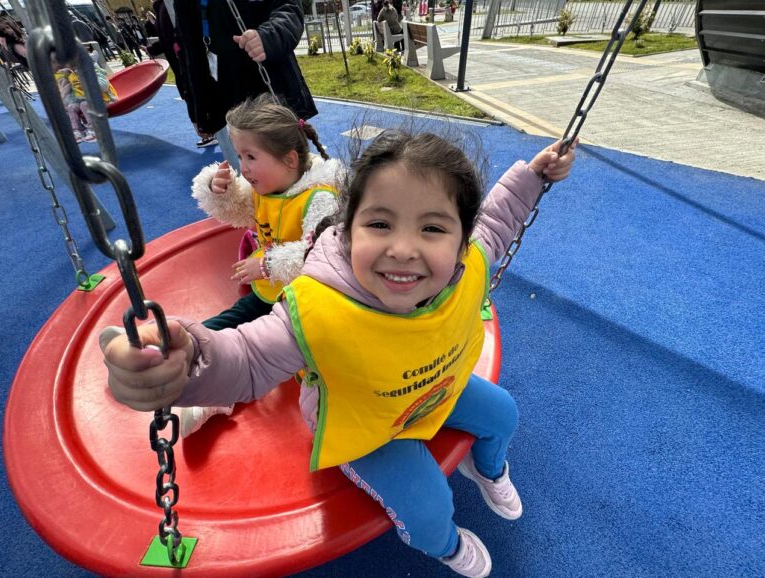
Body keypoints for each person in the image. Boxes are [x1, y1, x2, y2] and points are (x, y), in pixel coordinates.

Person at [99, 129, 577, 577]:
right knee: (429, 508)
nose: (404, 249)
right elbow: (246, 358)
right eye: (380, 223)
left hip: (435, 387)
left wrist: (532, 177)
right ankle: (445, 545)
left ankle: (487, 468)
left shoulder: (470, 262)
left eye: (432, 228)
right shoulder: (319, 306)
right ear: (349, 229)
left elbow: (497, 219)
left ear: (460, 241)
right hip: (363, 423)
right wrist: (185, 363)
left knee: (502, 414)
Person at [182, 94, 344, 435]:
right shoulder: (268, 185)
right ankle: (185, 356)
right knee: (212, 330)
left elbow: (324, 255)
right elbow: (241, 211)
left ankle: (219, 394)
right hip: (269, 293)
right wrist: (219, 191)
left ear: (289, 160)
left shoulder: (319, 197)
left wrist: (267, 265)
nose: (244, 167)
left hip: (305, 303)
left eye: (251, 157)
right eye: (240, 156)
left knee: (269, 350)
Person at [172, 0, 317, 145]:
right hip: (225, 104)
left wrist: (269, 36)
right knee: (242, 164)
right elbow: (188, 48)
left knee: (286, 160)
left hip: (273, 93)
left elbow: (288, 8)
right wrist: (198, 111)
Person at [54, 57, 117, 143]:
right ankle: (78, 130)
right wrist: (72, 102)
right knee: (71, 107)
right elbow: (75, 93)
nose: (73, 68)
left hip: (104, 99)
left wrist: (86, 82)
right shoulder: (73, 76)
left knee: (84, 104)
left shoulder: (94, 71)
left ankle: (95, 129)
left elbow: (103, 86)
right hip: (87, 100)